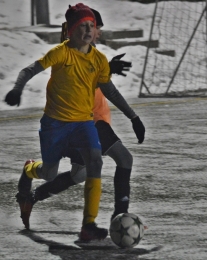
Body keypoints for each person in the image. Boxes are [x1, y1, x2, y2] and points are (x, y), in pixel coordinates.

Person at [4, 3, 145, 242]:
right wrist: (18, 88)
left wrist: (133, 116)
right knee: (117, 160)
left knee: (81, 174)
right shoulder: (65, 53)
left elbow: (101, 81)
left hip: (90, 122)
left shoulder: (97, 57)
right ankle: (118, 214)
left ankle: (45, 202)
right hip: (84, 122)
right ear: (74, 29)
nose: (94, 30)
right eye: (89, 25)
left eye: (95, 26)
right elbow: (77, 78)